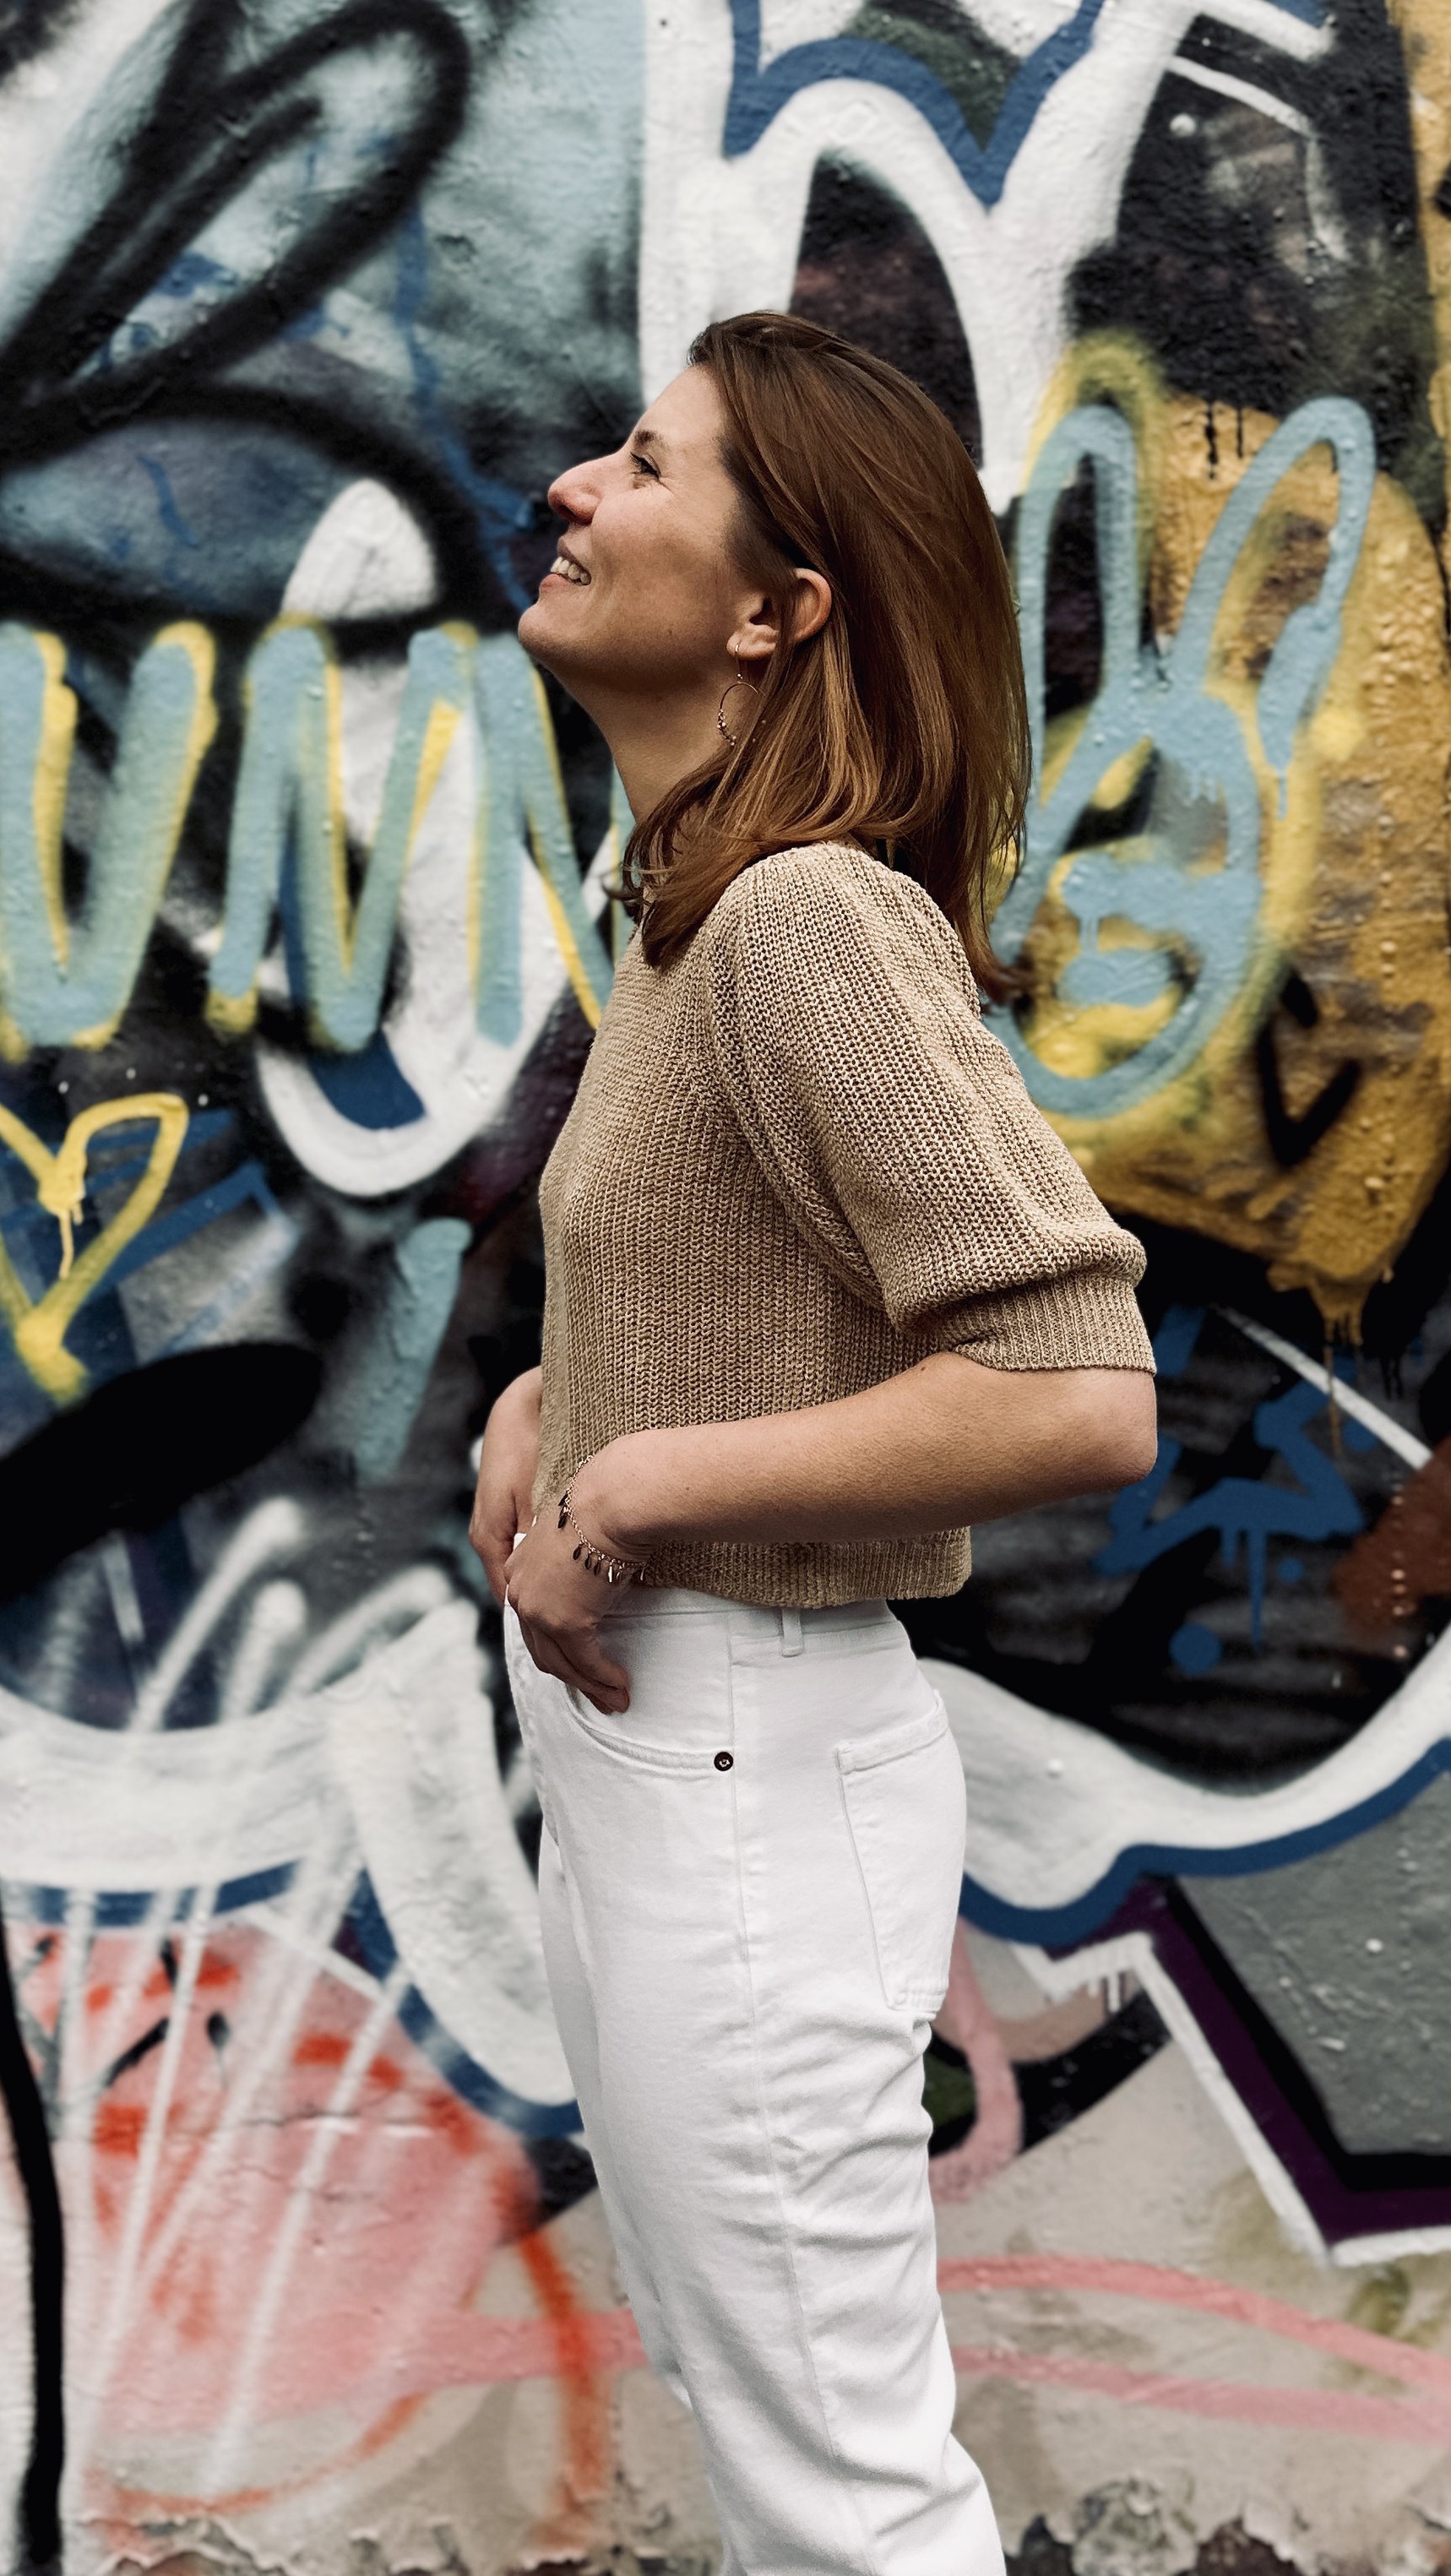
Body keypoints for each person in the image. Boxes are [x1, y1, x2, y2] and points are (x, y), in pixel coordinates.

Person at [470, 312, 1155, 2576]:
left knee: (841, 2493)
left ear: (777, 611)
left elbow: (1074, 1384)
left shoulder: (799, 921)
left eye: (642, 467)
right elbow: (759, 1279)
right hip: (664, 1768)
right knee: (763, 2426)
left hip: (753, 1767)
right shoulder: (683, 908)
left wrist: (645, 1484)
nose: (573, 486)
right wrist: (559, 1397)